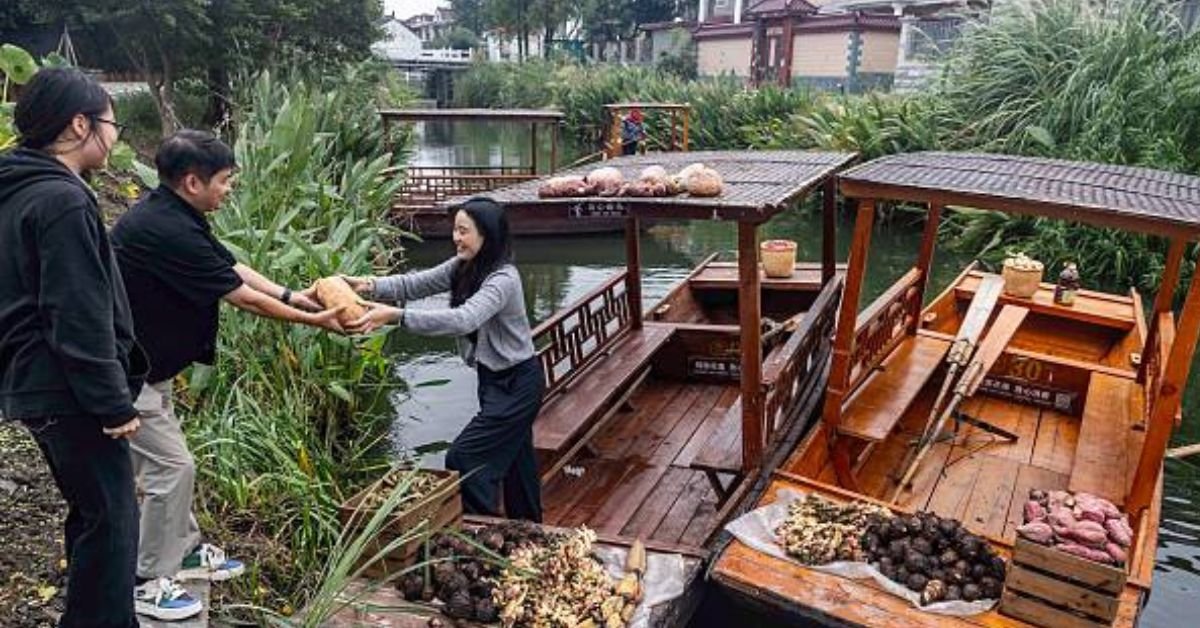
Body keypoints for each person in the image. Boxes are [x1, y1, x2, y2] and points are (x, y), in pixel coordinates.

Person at [110, 129, 344, 621]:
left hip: (151, 367)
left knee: (167, 465)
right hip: (124, 374)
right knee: (173, 469)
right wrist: (314, 320)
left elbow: (231, 267)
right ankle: (148, 579)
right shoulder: (164, 228)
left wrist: (291, 295)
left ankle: (187, 548)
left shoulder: (174, 212)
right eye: (225, 180)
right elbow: (241, 296)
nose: (230, 188)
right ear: (192, 181)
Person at [0, 67, 144, 628]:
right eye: (112, 124)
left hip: (35, 381)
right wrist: (112, 402)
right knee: (111, 520)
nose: (115, 138)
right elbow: (74, 312)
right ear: (79, 124)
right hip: (67, 386)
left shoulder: (16, 188)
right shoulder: (61, 199)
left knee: (94, 514)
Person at [343, 197, 545, 521]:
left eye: (463, 231)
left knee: (465, 457)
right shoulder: (462, 267)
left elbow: (463, 319)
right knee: (518, 464)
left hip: (518, 383)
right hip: (493, 381)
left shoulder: (503, 279)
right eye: (455, 230)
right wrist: (368, 285)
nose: (456, 238)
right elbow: (415, 283)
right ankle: (530, 531)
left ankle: (484, 530)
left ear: (487, 235)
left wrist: (396, 316)